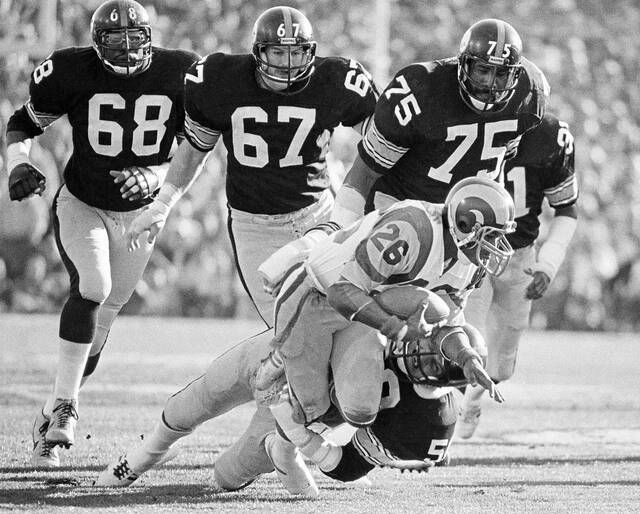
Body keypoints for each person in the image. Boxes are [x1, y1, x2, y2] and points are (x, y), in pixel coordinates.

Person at [5, 0, 199, 467]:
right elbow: (22, 123)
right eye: (116, 40)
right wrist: (18, 163)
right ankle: (66, 414)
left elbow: (198, 142)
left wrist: (155, 179)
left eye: (136, 38)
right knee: (95, 286)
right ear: (97, 44)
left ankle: (52, 414)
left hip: (141, 215)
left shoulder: (183, 72)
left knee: (105, 315)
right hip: (83, 202)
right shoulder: (72, 70)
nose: (129, 48)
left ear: (151, 37)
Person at [125, 5, 378, 326]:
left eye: (297, 53)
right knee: (289, 330)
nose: (288, 64)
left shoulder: (334, 80)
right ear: (258, 52)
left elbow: (382, 140)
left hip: (320, 215)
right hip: (255, 226)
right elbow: (195, 148)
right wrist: (163, 203)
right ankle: (274, 369)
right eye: (277, 52)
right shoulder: (219, 80)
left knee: (349, 319)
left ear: (311, 53)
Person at [251, 175, 514, 463]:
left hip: (365, 311)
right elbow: (341, 291)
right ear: (466, 225)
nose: (497, 245)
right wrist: (397, 330)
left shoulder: (470, 266)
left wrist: (466, 358)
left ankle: (296, 430)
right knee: (311, 407)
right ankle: (277, 361)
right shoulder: (412, 228)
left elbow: (447, 326)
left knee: (352, 411)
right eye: (492, 235)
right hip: (316, 296)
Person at [95, 319, 493, 496]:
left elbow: (346, 466)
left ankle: (280, 452)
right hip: (288, 353)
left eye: (425, 359)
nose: (414, 348)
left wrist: (295, 438)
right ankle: (147, 453)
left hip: (302, 409)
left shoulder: (424, 426)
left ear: (441, 383)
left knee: (226, 476)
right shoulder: (410, 308)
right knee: (203, 396)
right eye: (425, 340)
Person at [329, 18, 549, 227]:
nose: (491, 83)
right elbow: (365, 172)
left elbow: (500, 158)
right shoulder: (420, 89)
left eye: (502, 73)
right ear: (463, 64)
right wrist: (339, 228)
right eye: (483, 70)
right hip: (399, 207)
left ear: (516, 74)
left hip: (462, 218)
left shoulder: (530, 92)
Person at [457, 113, 579, 438]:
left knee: (502, 363)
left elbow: (567, 210)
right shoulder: (466, 120)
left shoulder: (551, 135)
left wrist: (548, 265)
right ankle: (444, 424)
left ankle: (472, 399)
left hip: (520, 255)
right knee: (465, 339)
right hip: (472, 250)